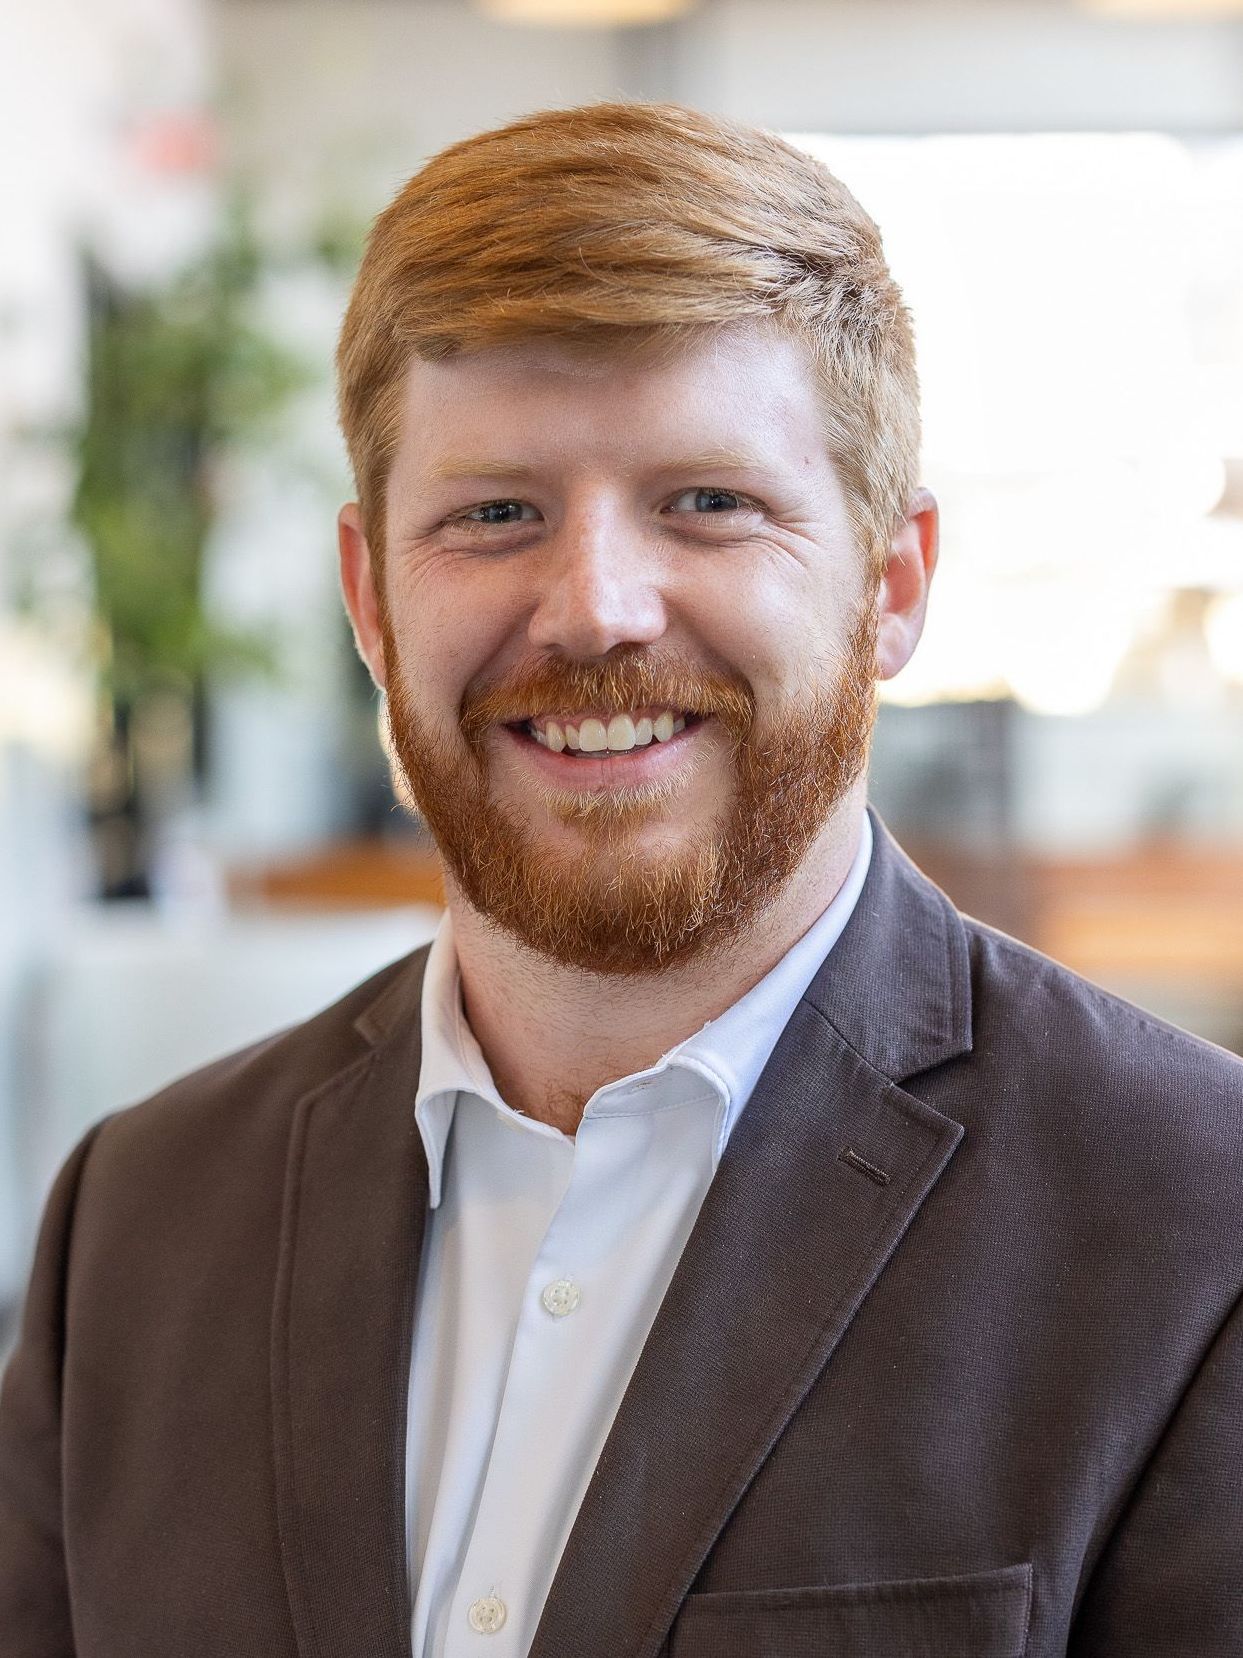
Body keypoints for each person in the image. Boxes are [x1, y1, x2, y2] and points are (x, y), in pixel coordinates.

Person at [1, 101, 1240, 1658]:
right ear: (369, 598)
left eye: (707, 502)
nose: (593, 606)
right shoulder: (137, 1222)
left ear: (893, 586)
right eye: (495, 513)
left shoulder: (1197, 1230)